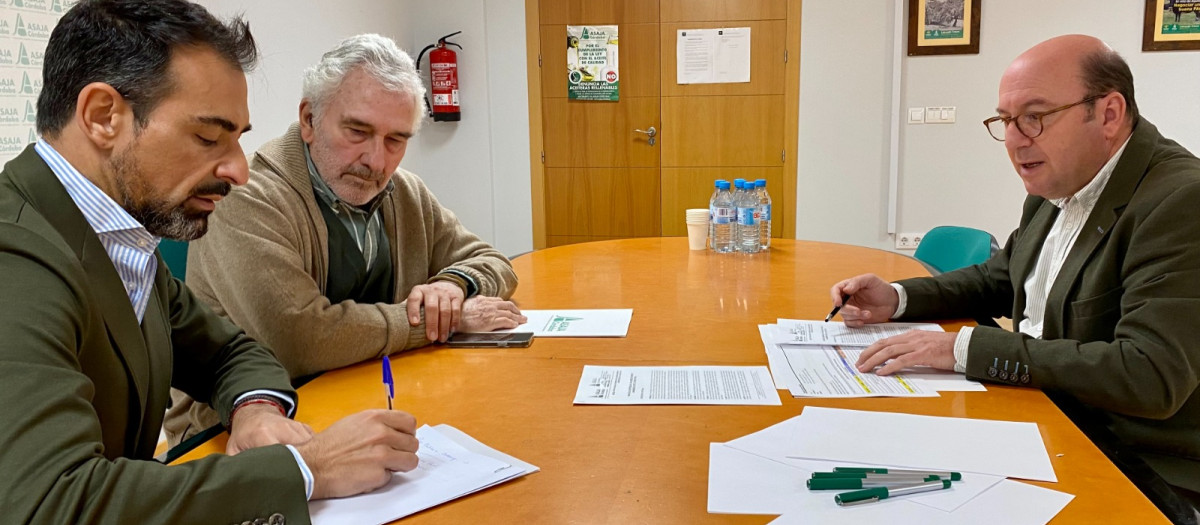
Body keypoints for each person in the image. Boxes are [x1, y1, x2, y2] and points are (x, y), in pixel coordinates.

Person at [1, 1, 422, 522]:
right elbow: (52, 503)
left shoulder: (119, 240)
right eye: (207, 137)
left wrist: (256, 412)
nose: (238, 170)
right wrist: (306, 468)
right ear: (102, 116)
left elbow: (231, 353)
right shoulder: (14, 256)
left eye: (237, 140)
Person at [830, 35, 1200, 521]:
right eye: (1005, 120)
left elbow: (1149, 376)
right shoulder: (1059, 183)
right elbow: (1001, 278)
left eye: (1034, 117)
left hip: (1133, 464)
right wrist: (897, 299)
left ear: (1109, 114)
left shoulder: (1180, 200)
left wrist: (966, 349)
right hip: (1043, 420)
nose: (1014, 139)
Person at [165, 34, 523, 443]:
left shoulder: (404, 192)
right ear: (309, 120)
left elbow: (492, 261)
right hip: (237, 434)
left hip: (374, 400)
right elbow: (301, 340)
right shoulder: (247, 197)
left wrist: (453, 285)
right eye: (357, 131)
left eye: (396, 140)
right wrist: (443, 320)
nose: (376, 160)